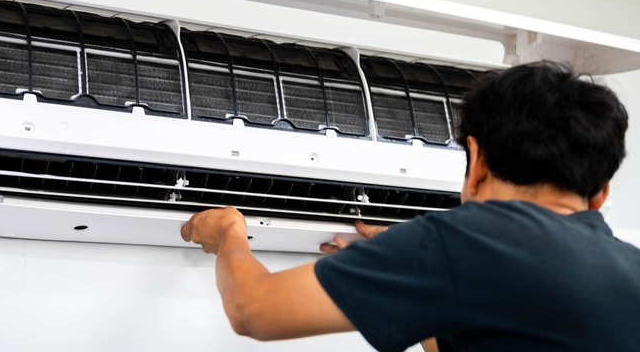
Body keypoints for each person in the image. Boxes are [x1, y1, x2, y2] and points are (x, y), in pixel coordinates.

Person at [180, 61, 640, 351]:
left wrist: (229, 233)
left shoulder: (460, 245)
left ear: (476, 161)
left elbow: (252, 310)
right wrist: (413, 286)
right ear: (601, 191)